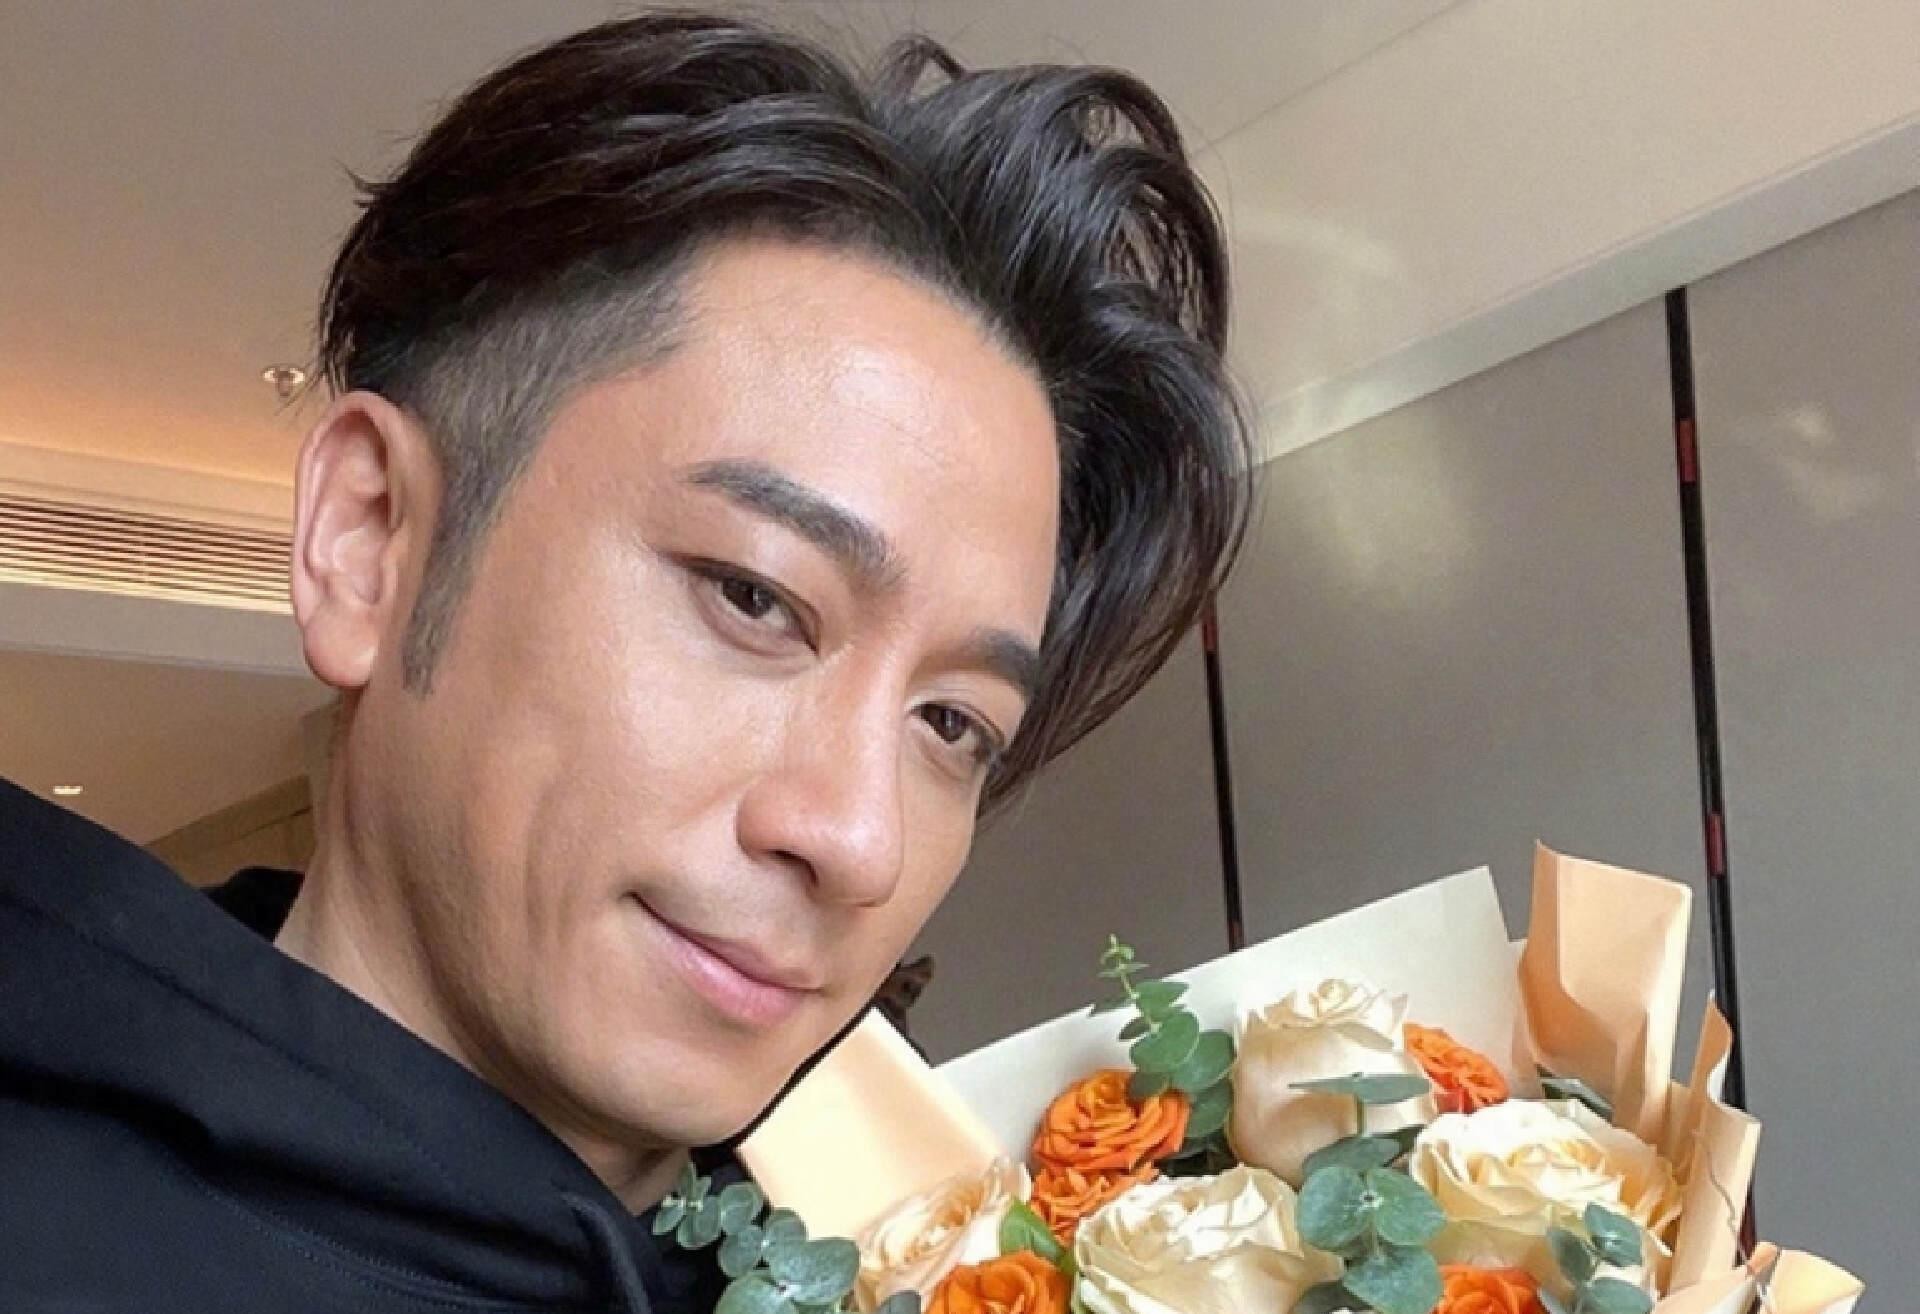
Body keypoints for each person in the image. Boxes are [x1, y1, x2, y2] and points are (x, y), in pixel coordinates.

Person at [0, 11, 1248, 1312]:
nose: (860, 840)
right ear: (369, 540)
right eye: (756, 598)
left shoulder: (887, 1262)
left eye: (952, 723)